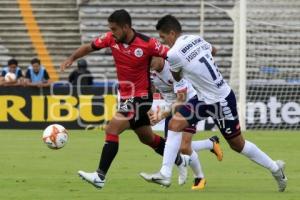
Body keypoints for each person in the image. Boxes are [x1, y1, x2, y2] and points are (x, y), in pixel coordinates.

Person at [140, 15, 287, 192]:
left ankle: (275, 168)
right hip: (203, 98)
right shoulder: (195, 38)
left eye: (163, 38)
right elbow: (213, 50)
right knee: (175, 124)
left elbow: (179, 91)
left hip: (220, 100)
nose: (163, 43)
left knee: (237, 145)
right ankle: (165, 173)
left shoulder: (172, 55)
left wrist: (180, 75)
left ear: (172, 33)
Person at [60, 9, 186, 189]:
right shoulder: (111, 39)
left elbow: (173, 56)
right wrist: (71, 58)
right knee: (147, 138)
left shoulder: (147, 43)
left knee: (112, 128)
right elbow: (89, 46)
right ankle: (181, 160)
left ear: (126, 27)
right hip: (126, 97)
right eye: (110, 29)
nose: (112, 33)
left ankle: (100, 176)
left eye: (114, 29)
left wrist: (188, 71)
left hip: (141, 97)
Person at [142, 56, 223, 189]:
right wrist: (150, 108)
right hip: (171, 107)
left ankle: (200, 178)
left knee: (184, 147)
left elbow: (182, 98)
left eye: (151, 61)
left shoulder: (173, 68)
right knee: (173, 147)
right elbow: (151, 90)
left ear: (158, 56)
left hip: (189, 104)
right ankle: (210, 143)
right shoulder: (150, 72)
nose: (149, 66)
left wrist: (161, 115)